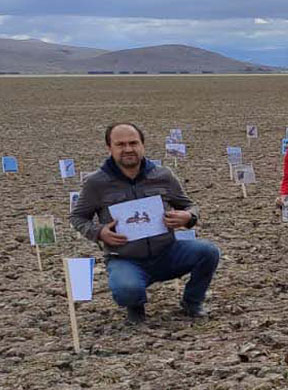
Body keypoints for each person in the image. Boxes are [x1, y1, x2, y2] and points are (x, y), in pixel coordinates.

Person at [70, 122, 221, 325]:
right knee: (127, 288)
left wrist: (188, 217)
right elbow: (77, 217)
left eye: (133, 143)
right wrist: (99, 232)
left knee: (208, 251)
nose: (128, 149)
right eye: (120, 144)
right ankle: (135, 304)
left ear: (143, 145)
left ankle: (192, 302)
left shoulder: (162, 175)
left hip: (168, 252)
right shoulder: (96, 183)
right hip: (125, 259)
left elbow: (189, 205)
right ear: (109, 148)